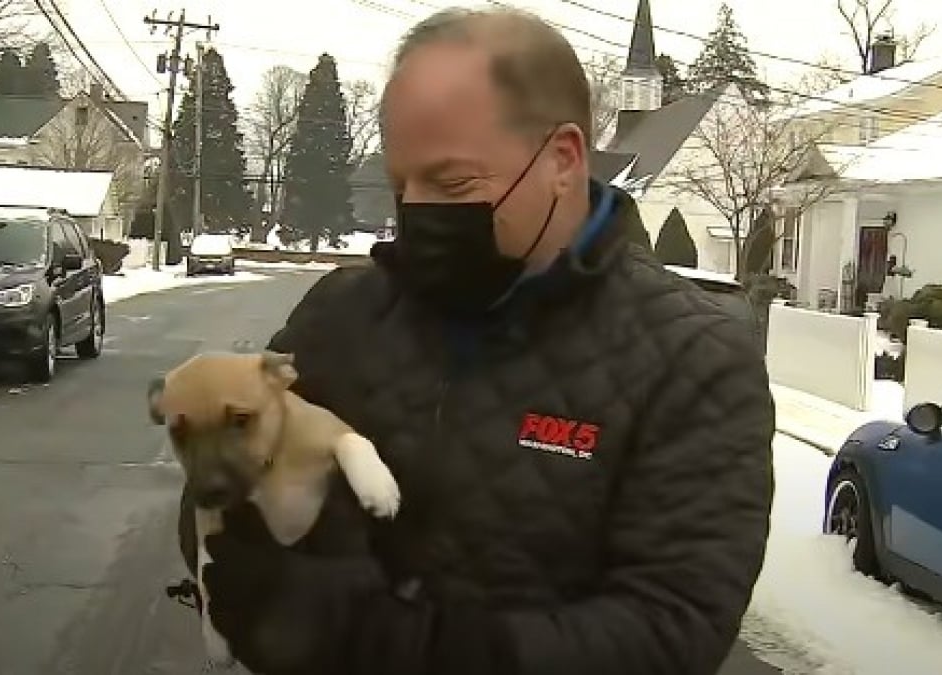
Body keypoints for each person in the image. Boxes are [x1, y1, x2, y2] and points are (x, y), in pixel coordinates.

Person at [200, 6, 775, 675]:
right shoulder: (341, 314)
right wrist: (259, 576)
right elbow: (222, 486)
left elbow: (669, 628)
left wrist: (392, 643)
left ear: (563, 159)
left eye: (451, 182)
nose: (417, 209)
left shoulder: (692, 360)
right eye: (400, 184)